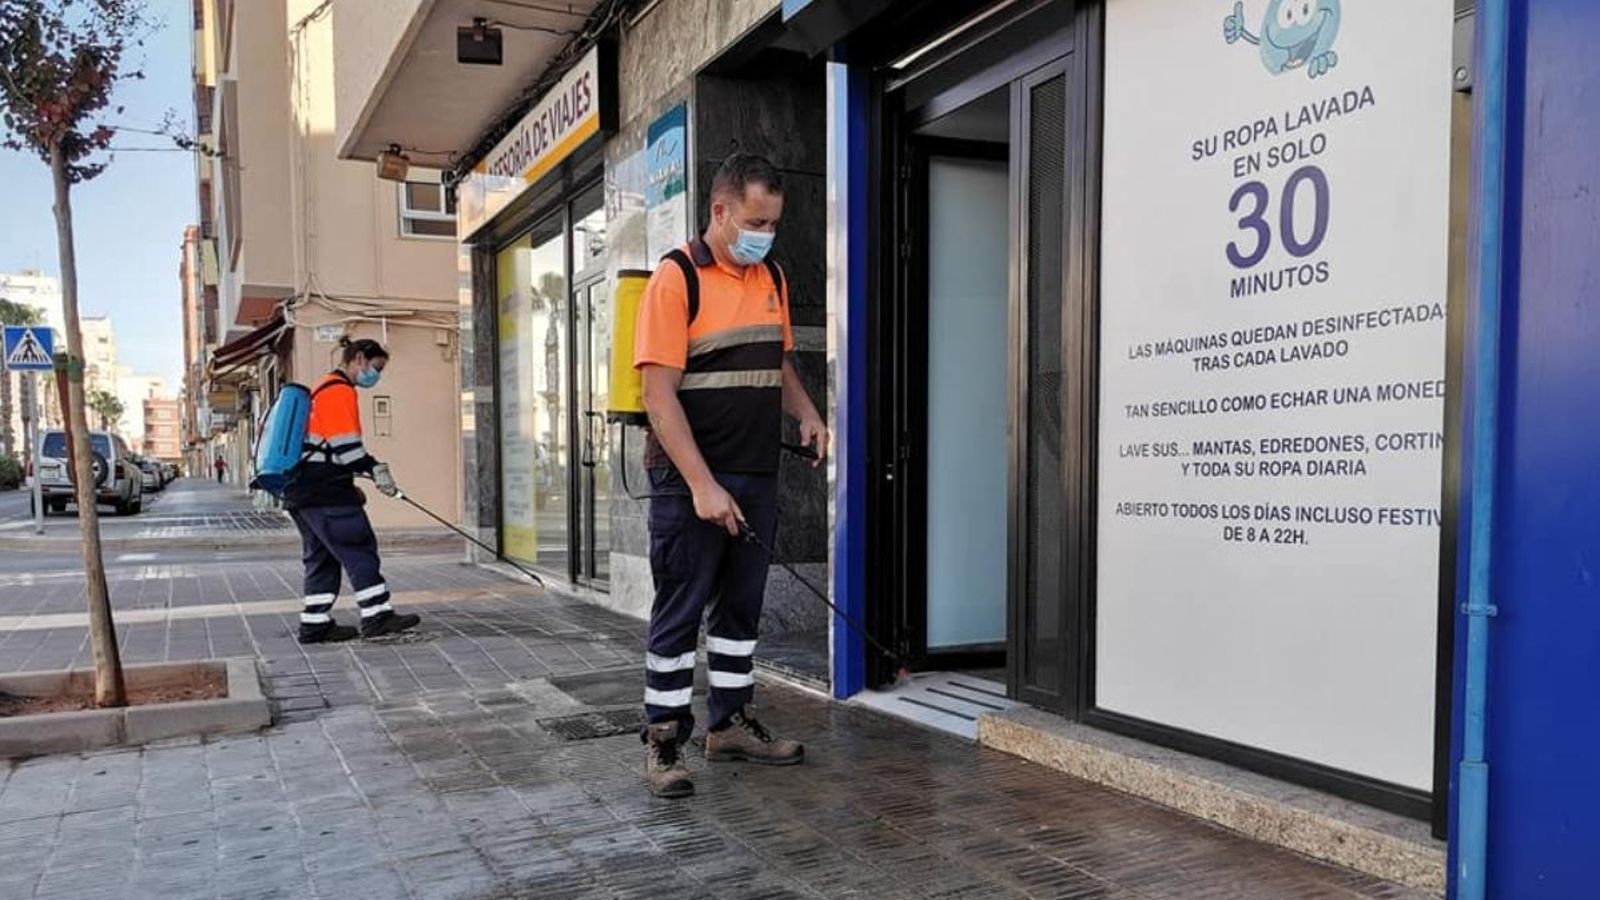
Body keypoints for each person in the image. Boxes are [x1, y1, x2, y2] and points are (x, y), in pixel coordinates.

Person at [633, 153, 829, 798]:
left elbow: (779, 364)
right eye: (753, 220)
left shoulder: (769, 273)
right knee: (681, 609)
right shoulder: (677, 278)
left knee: (742, 608)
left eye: (772, 222)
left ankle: (731, 724)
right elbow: (658, 396)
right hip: (690, 476)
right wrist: (700, 485)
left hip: (755, 472)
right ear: (719, 211)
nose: (764, 232)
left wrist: (806, 413)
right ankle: (664, 743)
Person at [284, 336, 420, 644]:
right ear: (358, 359)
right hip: (326, 492)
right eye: (376, 367)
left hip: (303, 491)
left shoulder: (321, 387)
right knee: (358, 547)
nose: (377, 376)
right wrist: (374, 468)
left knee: (322, 558)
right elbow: (347, 449)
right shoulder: (339, 391)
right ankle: (377, 615)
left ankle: (315, 623)